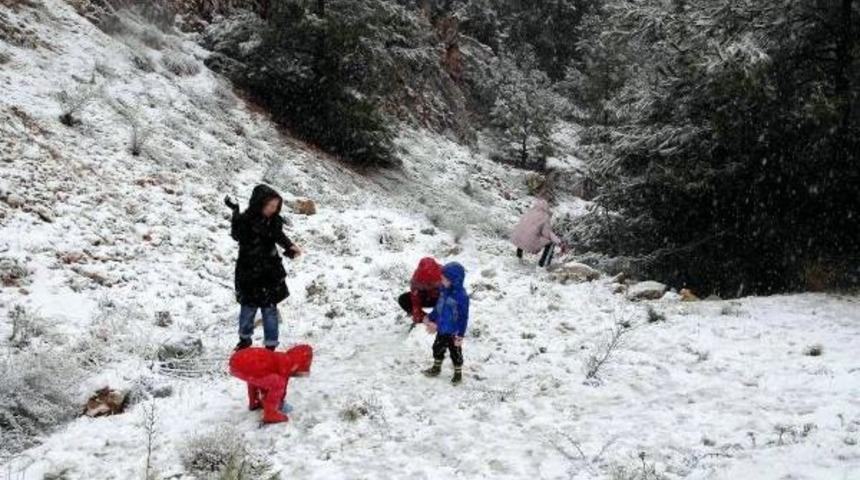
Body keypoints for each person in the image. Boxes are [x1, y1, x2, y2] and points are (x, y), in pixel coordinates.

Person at [225, 185, 302, 351]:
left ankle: (271, 345)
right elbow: (237, 235)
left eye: (276, 207)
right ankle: (244, 340)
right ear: (260, 202)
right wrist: (235, 212)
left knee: (270, 310)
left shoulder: (274, 221)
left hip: (270, 272)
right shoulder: (246, 220)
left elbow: (278, 236)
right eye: (270, 206)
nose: (273, 210)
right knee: (248, 308)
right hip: (249, 272)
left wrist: (290, 247)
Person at [229, 345, 313, 424]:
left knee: (255, 378)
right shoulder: (287, 365)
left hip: (238, 361)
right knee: (278, 384)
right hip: (247, 363)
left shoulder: (281, 358)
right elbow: (281, 387)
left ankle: (254, 402)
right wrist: (280, 402)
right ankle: (271, 414)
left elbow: (265, 382)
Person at [422, 262, 469, 385]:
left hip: (454, 332)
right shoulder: (444, 291)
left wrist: (460, 334)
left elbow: (463, 317)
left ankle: (458, 373)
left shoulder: (461, 297)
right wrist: (430, 317)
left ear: (454, 280)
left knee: (455, 353)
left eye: (444, 279)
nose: (442, 281)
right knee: (437, 348)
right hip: (442, 328)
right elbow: (438, 308)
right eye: (442, 278)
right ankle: (436, 367)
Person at [511, 198, 565, 268]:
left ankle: (519, 256)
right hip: (529, 242)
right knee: (550, 243)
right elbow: (547, 234)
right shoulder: (545, 217)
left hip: (518, 239)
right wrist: (559, 242)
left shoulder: (529, 212)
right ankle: (543, 264)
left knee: (525, 233)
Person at [397, 257, 443, 325]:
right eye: (425, 283)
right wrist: (417, 314)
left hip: (442, 298)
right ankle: (425, 319)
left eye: (430, 282)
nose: (428, 284)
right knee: (403, 299)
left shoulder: (444, 272)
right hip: (427, 297)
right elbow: (415, 298)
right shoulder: (417, 277)